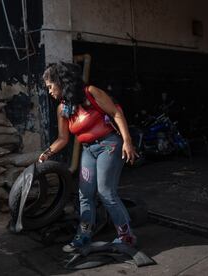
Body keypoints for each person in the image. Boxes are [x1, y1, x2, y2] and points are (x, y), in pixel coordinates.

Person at [39, 62, 138, 252]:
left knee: (106, 192)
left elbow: (116, 113)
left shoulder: (90, 92)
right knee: (84, 194)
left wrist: (127, 141)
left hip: (108, 145)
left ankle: (126, 237)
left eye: (51, 86)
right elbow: (62, 138)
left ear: (61, 81)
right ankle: (83, 236)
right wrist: (46, 154)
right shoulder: (62, 109)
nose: (49, 91)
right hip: (88, 150)